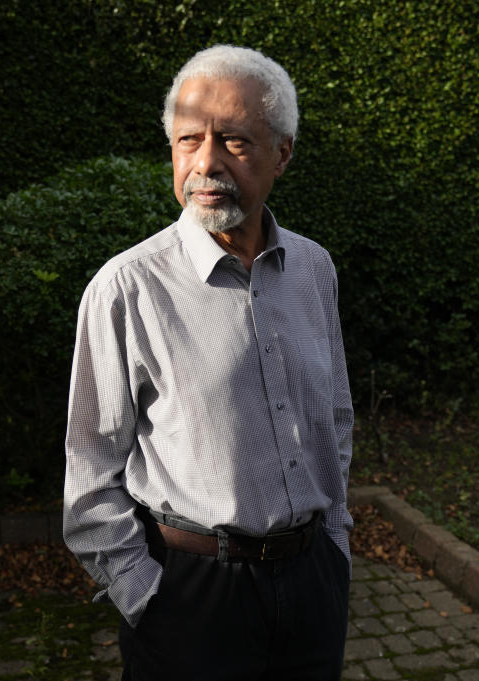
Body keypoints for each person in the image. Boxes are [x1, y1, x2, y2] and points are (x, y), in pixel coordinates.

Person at [63, 44, 353, 681]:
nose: (206, 163)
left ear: (283, 152)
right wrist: (148, 599)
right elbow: (89, 486)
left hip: (311, 588)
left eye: (235, 142)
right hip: (191, 599)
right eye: (188, 139)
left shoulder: (314, 269)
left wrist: (335, 551)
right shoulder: (126, 288)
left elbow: (334, 420)